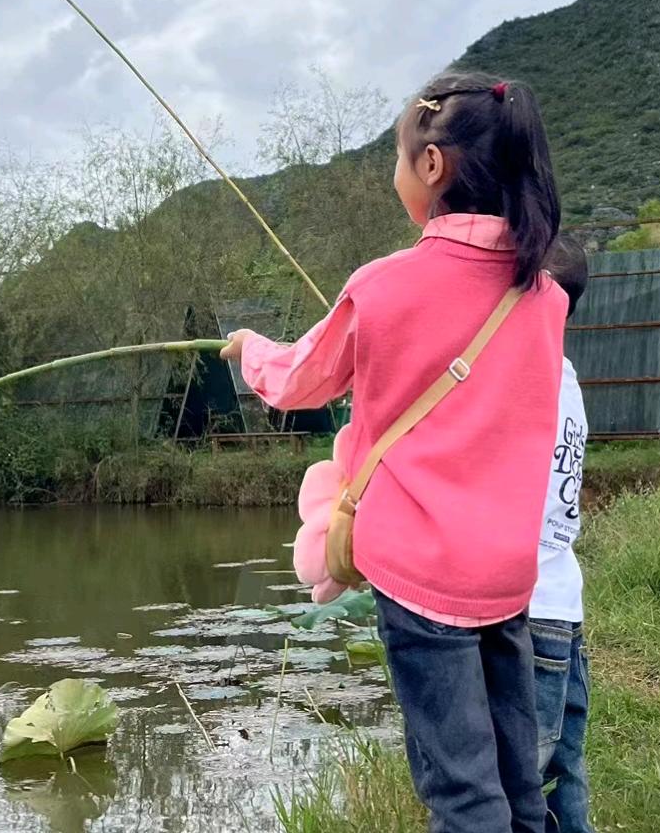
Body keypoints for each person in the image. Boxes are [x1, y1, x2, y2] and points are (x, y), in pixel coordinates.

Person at [222, 73, 567, 833]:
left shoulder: (383, 285)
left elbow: (297, 380)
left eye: (400, 157)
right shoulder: (544, 296)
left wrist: (249, 349)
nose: (395, 172)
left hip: (423, 577)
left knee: (461, 792)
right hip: (508, 576)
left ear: (433, 167)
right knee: (517, 783)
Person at [532, 236, 593, 833]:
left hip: (526, 612)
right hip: (562, 606)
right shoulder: (566, 377)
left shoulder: (527, 380)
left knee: (522, 776)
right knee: (564, 768)